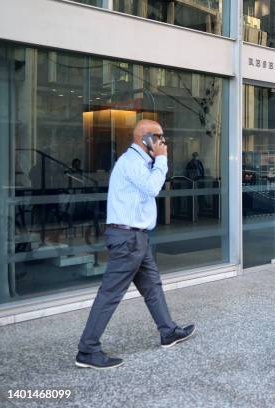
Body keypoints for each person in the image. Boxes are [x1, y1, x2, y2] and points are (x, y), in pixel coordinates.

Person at [76, 119, 195, 370]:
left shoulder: (141, 163)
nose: (164, 142)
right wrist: (162, 160)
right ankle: (87, 350)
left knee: (152, 285)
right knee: (110, 294)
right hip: (127, 238)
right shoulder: (131, 162)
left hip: (136, 237)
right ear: (147, 139)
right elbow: (153, 188)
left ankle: (168, 332)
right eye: (160, 137)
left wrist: (158, 161)